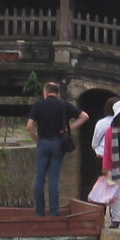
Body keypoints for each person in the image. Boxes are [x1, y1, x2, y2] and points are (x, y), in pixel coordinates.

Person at [26, 79, 83, 216]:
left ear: (46, 92)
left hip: (43, 143)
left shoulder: (38, 105)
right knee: (54, 178)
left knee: (39, 179)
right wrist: (68, 130)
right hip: (58, 143)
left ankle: (39, 211)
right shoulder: (63, 105)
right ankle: (54, 212)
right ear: (57, 93)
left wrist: (36, 139)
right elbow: (84, 116)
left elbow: (29, 126)